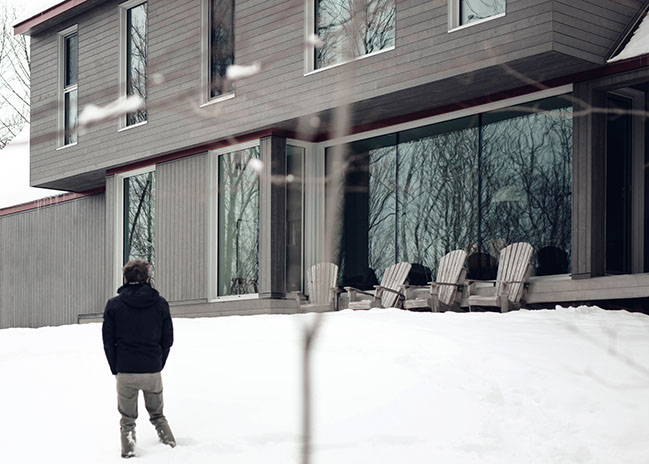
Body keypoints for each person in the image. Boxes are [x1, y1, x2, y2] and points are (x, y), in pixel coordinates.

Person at [102, 259, 175, 458]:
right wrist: (158, 363)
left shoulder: (114, 305)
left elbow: (108, 341)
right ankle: (171, 449)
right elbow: (167, 339)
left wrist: (115, 368)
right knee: (158, 415)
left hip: (125, 370)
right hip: (152, 369)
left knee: (127, 420)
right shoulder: (160, 304)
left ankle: (129, 453)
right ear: (147, 277)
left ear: (125, 278)